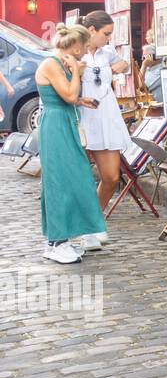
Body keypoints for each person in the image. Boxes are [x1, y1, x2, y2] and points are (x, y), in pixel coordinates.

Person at [35, 24, 105, 263]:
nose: (86, 52)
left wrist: (81, 100)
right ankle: (56, 242)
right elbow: (68, 95)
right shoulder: (51, 64)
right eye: (85, 47)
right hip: (55, 125)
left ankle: (63, 238)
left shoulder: (57, 63)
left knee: (74, 177)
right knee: (59, 181)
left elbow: (69, 98)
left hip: (63, 120)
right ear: (75, 47)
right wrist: (76, 72)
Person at [78, 10, 133, 222]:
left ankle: (94, 219)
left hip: (106, 115)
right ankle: (82, 223)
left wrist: (113, 67)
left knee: (111, 176)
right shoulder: (77, 53)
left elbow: (124, 64)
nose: (109, 37)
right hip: (83, 115)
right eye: (106, 33)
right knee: (80, 177)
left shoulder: (106, 51)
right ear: (92, 30)